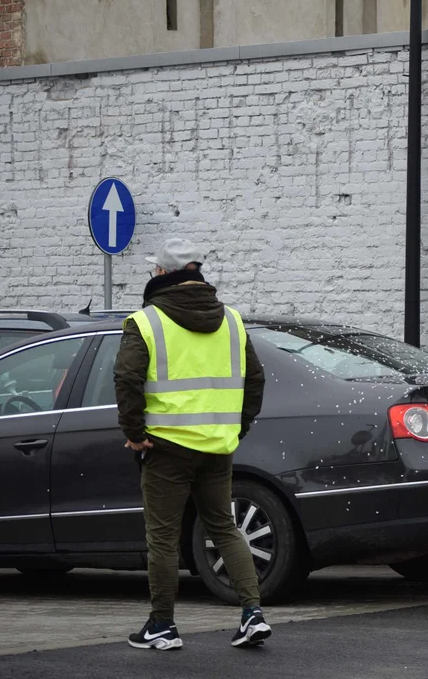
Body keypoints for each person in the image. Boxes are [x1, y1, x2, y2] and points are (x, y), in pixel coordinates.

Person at [114, 237, 271, 651]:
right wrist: (236, 428)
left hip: (164, 447)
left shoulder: (145, 321)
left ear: (163, 274)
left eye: (154, 270)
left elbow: (127, 379)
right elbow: (255, 380)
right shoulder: (233, 320)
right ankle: (252, 613)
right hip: (217, 447)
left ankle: (162, 626)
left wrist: (134, 433)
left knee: (163, 538)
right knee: (224, 527)